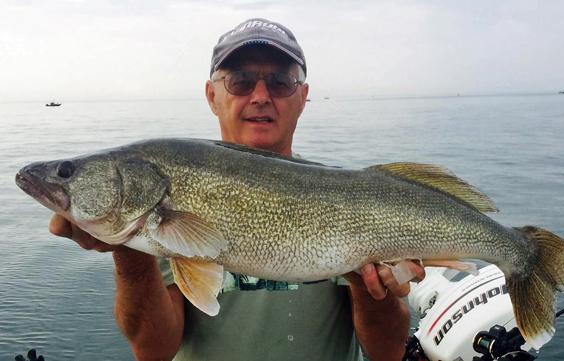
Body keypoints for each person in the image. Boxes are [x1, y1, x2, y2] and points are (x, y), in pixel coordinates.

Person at [49, 18, 425, 361]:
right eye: (241, 80)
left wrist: (368, 284)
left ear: (303, 96)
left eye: (280, 81)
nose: (261, 95)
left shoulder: (345, 199)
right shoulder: (172, 191)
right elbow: (153, 350)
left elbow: (388, 352)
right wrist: (126, 251)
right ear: (212, 95)